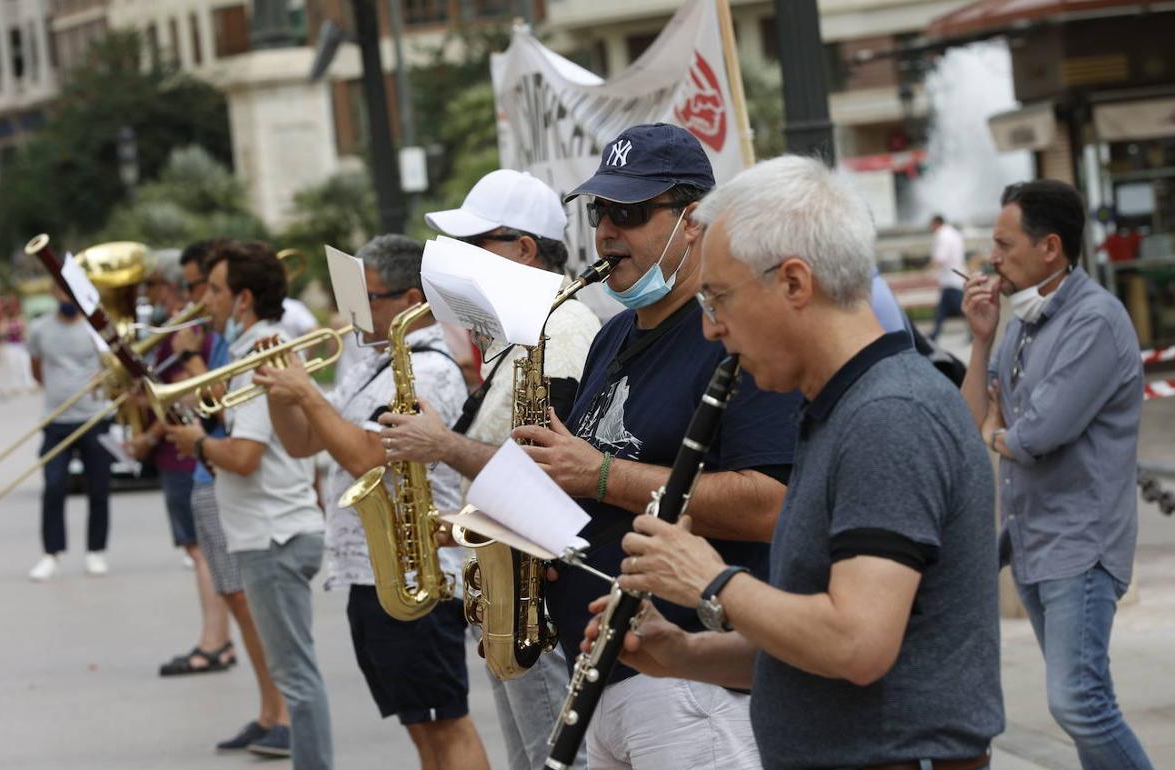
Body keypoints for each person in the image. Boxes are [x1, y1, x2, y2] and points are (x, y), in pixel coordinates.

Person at [607, 154, 1002, 770]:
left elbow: (856, 645)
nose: (712, 329)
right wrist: (684, 651)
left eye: (717, 299)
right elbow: (812, 655)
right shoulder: (842, 409)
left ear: (794, 282)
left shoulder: (890, 415)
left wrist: (710, 579)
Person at [520, 123, 799, 770]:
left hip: (693, 682)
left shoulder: (733, 333)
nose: (606, 232)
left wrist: (599, 476)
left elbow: (770, 502)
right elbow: (591, 477)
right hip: (604, 672)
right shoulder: (610, 335)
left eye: (631, 213)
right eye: (600, 213)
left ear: (694, 219)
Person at [379, 168, 601, 770]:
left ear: (523, 249)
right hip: (513, 591)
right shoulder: (524, 333)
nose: (460, 263)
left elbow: (550, 474)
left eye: (474, 246)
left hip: (541, 598)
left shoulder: (563, 330)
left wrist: (443, 445)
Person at [256, 234, 490, 770]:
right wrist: (278, 390)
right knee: (422, 727)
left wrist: (307, 393)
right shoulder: (365, 362)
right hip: (370, 569)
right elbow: (302, 443)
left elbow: (366, 454)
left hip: (420, 566)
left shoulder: (430, 370)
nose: (354, 311)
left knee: (447, 723)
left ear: (410, 302)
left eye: (369, 298)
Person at [961, 180, 1153, 770]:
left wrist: (1001, 432)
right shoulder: (1020, 323)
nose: (992, 257)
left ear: (1049, 247)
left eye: (1004, 242)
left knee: (1078, 703)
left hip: (1082, 542)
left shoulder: (1094, 321)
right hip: (1031, 540)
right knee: (1080, 701)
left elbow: (1035, 437)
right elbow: (973, 420)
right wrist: (981, 338)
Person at [166, 242, 332, 768]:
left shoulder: (264, 355)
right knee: (295, 675)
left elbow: (243, 455)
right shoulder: (251, 349)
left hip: (273, 535)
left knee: (297, 680)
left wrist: (195, 442)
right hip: (271, 530)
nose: (203, 301)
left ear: (242, 299)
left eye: (213, 290)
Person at [125, 253, 236, 678]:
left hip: (200, 455)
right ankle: (216, 641)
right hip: (193, 458)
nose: (196, 297)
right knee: (202, 554)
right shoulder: (183, 328)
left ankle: (216, 642)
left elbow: (208, 400)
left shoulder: (202, 335)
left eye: (202, 287)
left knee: (208, 559)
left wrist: (186, 361)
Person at [26, 284, 113, 581]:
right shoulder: (40, 329)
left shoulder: (96, 328)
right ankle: (52, 553)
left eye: (71, 291)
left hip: (95, 417)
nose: (66, 298)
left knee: (99, 488)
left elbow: (112, 367)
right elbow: (36, 371)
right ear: (52, 292)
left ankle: (96, 552)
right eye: (61, 291)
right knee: (53, 486)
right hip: (56, 420)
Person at [929, 214, 966, 341]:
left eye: (931, 225)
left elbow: (940, 257)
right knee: (943, 308)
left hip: (950, 278)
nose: (931, 228)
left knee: (960, 308)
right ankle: (935, 333)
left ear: (936, 223)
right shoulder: (954, 233)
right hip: (954, 277)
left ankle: (935, 333)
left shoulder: (942, 235)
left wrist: (927, 270)